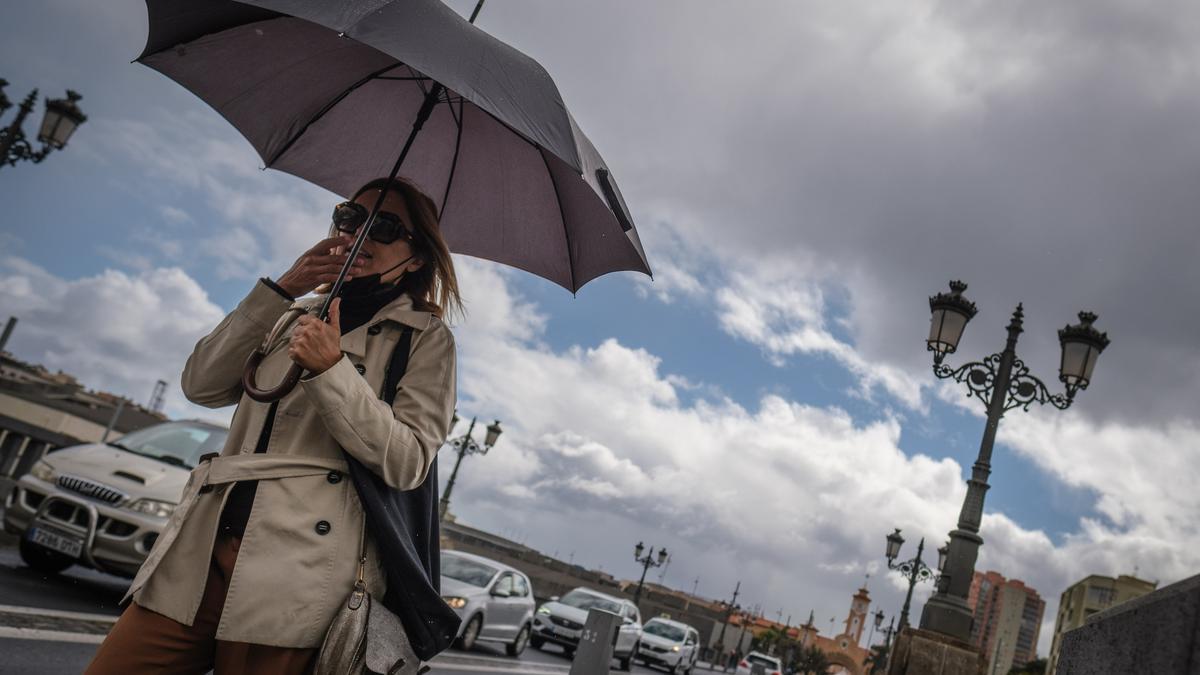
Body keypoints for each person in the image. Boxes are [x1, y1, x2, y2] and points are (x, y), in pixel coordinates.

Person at [86, 177, 461, 674]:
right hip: (203, 551)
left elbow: (409, 461)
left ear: (416, 258)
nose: (360, 232)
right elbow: (201, 384)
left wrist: (333, 371)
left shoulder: (425, 340)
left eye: (385, 226)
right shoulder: (292, 312)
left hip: (299, 575)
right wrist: (282, 289)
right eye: (351, 217)